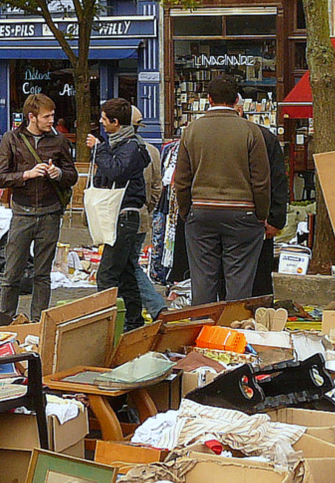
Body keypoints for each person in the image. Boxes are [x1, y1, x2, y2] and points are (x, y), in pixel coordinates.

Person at [172, 76, 270, 304]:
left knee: (203, 277)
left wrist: (187, 211)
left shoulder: (191, 131)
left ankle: (202, 327)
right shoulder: (251, 131)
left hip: (202, 211)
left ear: (208, 99)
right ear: (236, 99)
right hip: (242, 212)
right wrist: (260, 214)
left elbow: (182, 179)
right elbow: (261, 181)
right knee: (239, 277)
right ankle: (231, 327)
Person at [0, 93, 77, 324]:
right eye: (47, 116)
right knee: (12, 273)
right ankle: (5, 324)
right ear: (32, 117)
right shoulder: (11, 139)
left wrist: (58, 173)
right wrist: (26, 175)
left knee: (42, 275)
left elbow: (72, 176)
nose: (52, 120)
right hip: (23, 213)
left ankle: (39, 324)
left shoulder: (58, 141)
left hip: (50, 213)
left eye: (52, 115)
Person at [86, 99, 151, 331]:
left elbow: (117, 170)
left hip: (125, 217)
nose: (101, 123)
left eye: (104, 119)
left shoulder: (131, 146)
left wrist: (99, 148)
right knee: (124, 272)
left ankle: (107, 325)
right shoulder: (118, 144)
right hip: (117, 215)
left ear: (115, 122)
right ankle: (134, 322)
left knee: (106, 275)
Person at [129, 106, 168, 319]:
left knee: (126, 266)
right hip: (142, 214)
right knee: (127, 265)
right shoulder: (152, 151)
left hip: (126, 217)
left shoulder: (124, 150)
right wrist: (148, 207)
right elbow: (156, 186)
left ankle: (155, 307)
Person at [250, 105, 289, 298]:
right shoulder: (264, 137)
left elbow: (277, 180)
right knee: (258, 274)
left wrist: (275, 218)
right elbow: (278, 180)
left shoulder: (264, 138)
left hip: (254, 218)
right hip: (256, 217)